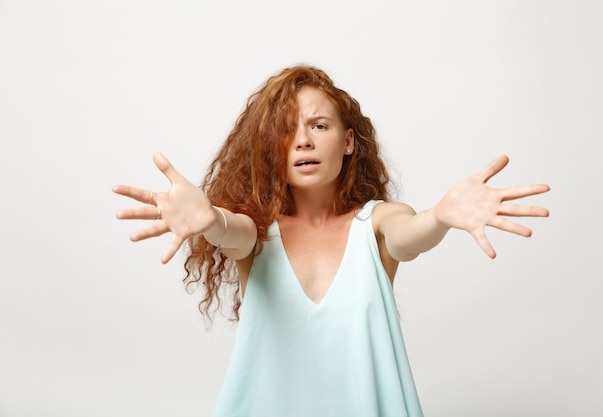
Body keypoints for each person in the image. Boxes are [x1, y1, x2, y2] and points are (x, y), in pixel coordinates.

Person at [113, 65, 549, 417]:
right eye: (287, 131)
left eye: (319, 125)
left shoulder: (377, 221)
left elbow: (408, 235)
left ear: (348, 142)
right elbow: (231, 231)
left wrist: (442, 216)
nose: (303, 139)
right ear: (272, 150)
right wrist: (209, 219)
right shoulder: (256, 231)